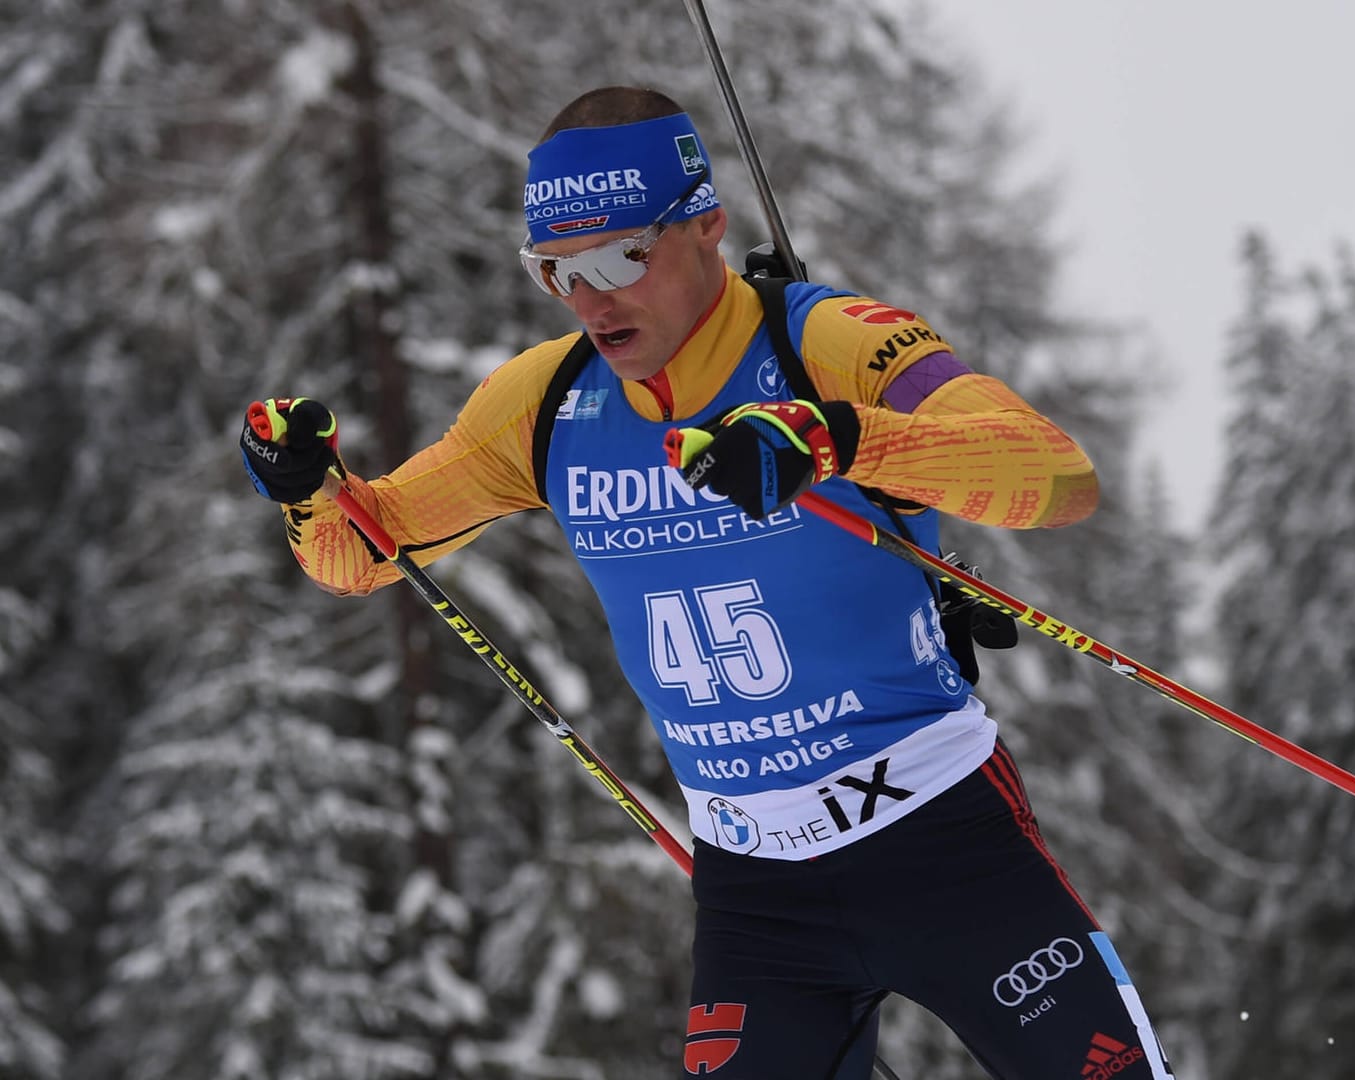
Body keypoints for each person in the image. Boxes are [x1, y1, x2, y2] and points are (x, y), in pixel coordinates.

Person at [240, 85, 1176, 1080]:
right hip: (758, 896)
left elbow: (1057, 475)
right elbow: (357, 552)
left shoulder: (828, 345)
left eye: (620, 258)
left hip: (943, 839)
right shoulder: (546, 406)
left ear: (707, 225)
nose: (591, 299)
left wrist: (838, 439)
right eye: (556, 270)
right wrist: (308, 490)